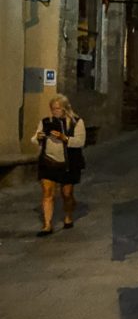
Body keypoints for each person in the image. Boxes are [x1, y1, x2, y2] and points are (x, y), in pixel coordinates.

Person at [34, 94, 86, 236]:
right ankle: (47, 225)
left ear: (65, 108)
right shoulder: (46, 121)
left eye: (58, 108)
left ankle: (68, 216)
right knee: (47, 193)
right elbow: (35, 137)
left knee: (66, 194)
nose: (55, 111)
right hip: (48, 161)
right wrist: (38, 137)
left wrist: (65, 138)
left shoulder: (76, 122)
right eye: (53, 108)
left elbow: (80, 142)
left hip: (68, 164)